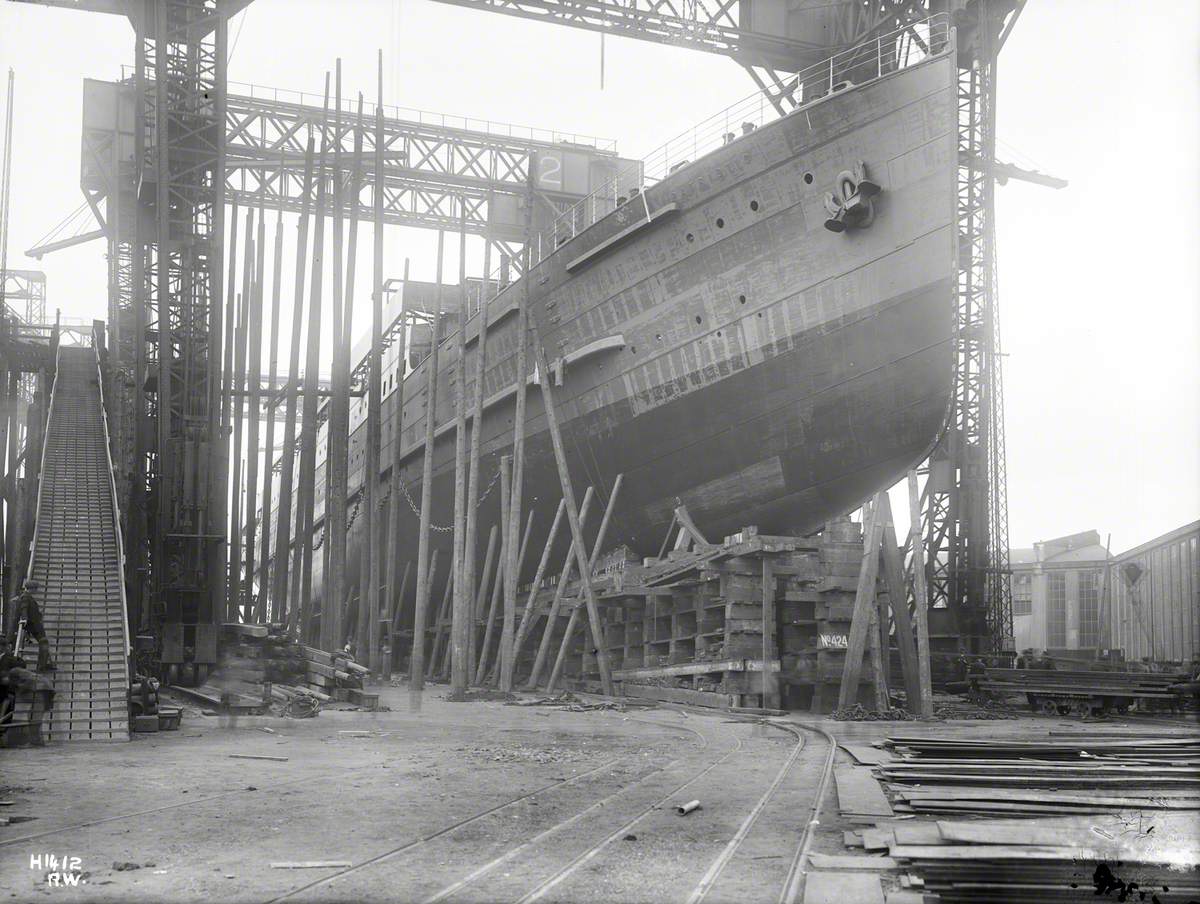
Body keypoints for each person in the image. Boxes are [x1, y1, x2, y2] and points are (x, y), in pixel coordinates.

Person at [10, 580, 54, 672]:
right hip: (34, 625)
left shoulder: (26, 596)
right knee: (44, 643)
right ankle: (42, 667)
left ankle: (46, 664)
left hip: (35, 624)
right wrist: (25, 618)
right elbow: (24, 608)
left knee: (44, 642)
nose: (37, 590)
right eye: (36, 588)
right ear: (32, 589)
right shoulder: (25, 597)